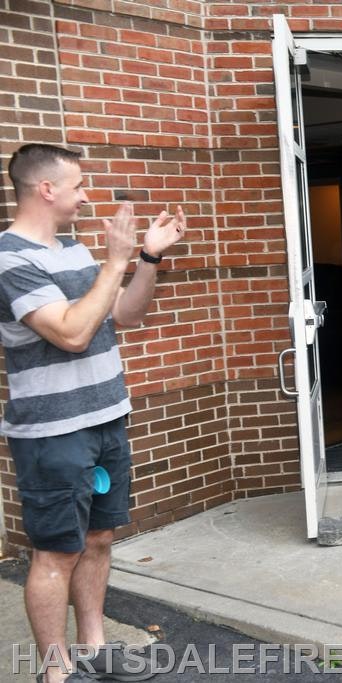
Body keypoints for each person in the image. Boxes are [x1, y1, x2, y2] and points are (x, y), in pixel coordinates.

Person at [1, 143, 186, 682]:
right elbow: (73, 332)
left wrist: (146, 258)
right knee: (56, 553)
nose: (86, 197)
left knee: (99, 538)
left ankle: (94, 650)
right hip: (53, 433)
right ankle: (56, 674)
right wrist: (116, 259)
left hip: (106, 415)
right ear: (46, 189)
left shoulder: (74, 251)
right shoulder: (12, 260)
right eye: (78, 186)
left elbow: (123, 314)